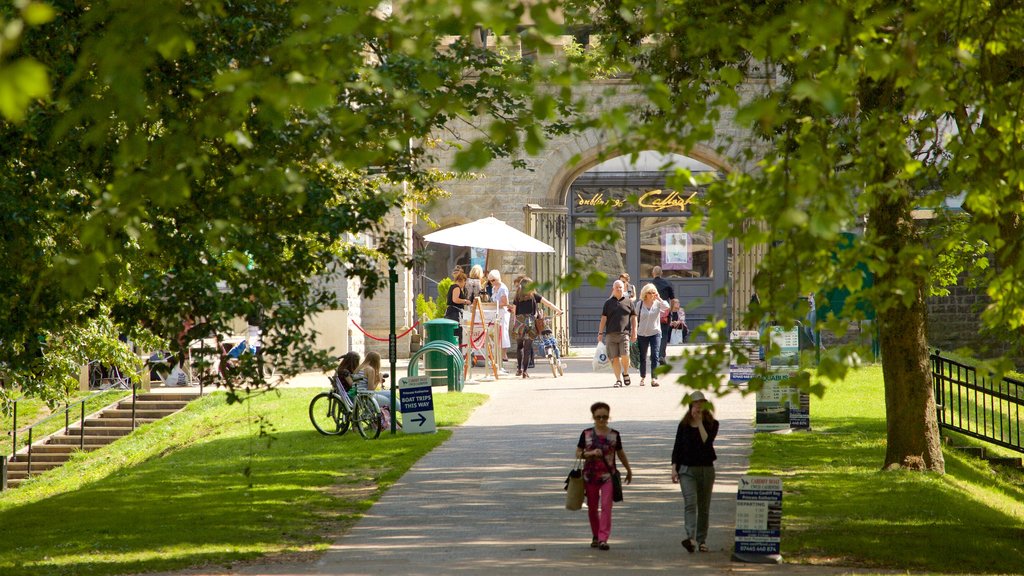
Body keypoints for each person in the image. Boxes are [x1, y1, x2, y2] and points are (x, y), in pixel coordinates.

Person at [576, 401, 632, 551]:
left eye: (604, 417)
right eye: (598, 417)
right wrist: (590, 453)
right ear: (593, 417)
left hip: (608, 475)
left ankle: (603, 538)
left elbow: (620, 453)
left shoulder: (614, 435)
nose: (601, 420)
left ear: (609, 417)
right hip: (590, 476)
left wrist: (628, 469)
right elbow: (578, 453)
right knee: (592, 508)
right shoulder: (586, 434)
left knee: (607, 506)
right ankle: (595, 535)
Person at [671, 391, 719, 554]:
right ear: (690, 405)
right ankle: (690, 538)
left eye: (701, 403)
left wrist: (699, 423)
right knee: (690, 503)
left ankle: (702, 540)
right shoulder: (683, 424)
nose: (698, 406)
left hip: (706, 468)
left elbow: (707, 442)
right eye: (695, 403)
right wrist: (673, 467)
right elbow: (677, 446)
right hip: (687, 469)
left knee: (704, 506)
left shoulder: (712, 423)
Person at [510, 276, 562, 378]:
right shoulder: (534, 296)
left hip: (519, 323)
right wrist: (558, 310)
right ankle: (525, 371)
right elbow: (548, 303)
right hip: (530, 322)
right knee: (527, 348)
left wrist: (515, 322)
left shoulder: (517, 297)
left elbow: (514, 312)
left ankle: (518, 369)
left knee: (519, 347)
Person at [596, 280, 637, 387]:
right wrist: (600, 333)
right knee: (614, 358)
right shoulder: (608, 303)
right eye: (616, 287)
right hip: (610, 335)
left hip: (624, 334)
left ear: (623, 289)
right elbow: (603, 319)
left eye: (620, 287)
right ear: (613, 289)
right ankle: (618, 380)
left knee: (625, 355)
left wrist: (634, 332)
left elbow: (633, 318)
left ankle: (626, 373)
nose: (618, 289)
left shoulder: (629, 302)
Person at [635, 283, 670, 387]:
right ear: (645, 294)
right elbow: (634, 318)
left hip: (655, 332)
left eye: (653, 292)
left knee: (655, 356)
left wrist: (659, 298)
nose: (651, 294)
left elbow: (667, 307)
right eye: (649, 292)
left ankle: (654, 378)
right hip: (642, 333)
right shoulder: (639, 304)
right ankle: (642, 377)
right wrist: (633, 332)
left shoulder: (657, 303)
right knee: (643, 357)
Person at [487, 270, 511, 373]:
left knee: (503, 334)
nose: (492, 282)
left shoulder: (503, 288)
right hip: (495, 312)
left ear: (498, 278)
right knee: (495, 333)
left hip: (502, 313)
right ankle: (497, 356)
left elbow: (505, 303)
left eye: (493, 280)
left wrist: (495, 304)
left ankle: (502, 355)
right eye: (490, 281)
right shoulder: (494, 288)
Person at [652, 266, 676, 362]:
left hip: (652, 312)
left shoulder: (650, 285)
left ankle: (655, 354)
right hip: (665, 313)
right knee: (664, 334)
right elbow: (673, 299)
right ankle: (661, 355)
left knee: (654, 334)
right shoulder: (668, 283)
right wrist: (670, 310)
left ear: (653, 273)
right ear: (661, 273)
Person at [445, 271, 471, 342]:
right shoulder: (456, 287)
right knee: (456, 333)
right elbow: (455, 299)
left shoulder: (452, 287)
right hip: (454, 313)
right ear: (462, 280)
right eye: (464, 282)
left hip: (451, 312)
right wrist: (465, 301)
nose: (464, 284)